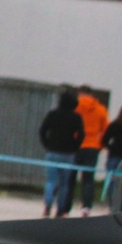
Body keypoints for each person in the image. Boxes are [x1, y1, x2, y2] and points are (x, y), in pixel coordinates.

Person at [39, 88, 86, 217]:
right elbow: (81, 134)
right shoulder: (76, 117)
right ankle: (61, 209)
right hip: (68, 154)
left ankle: (47, 205)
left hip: (52, 151)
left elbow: (43, 130)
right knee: (65, 184)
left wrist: (47, 144)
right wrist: (75, 147)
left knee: (50, 181)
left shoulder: (52, 114)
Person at [75, 88, 109, 209]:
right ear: (92, 95)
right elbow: (106, 130)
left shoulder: (75, 107)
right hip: (92, 147)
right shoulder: (101, 109)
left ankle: (64, 207)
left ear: (80, 93)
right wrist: (100, 146)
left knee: (69, 177)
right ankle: (87, 206)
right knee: (88, 179)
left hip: (76, 145)